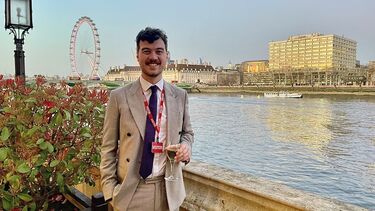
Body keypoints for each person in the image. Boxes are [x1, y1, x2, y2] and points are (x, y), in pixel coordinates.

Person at [100, 27, 194, 211]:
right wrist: (110, 191)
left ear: (167, 55)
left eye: (159, 51)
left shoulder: (180, 96)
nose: (153, 57)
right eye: (146, 51)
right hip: (130, 191)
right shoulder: (119, 96)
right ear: (137, 56)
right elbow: (108, 147)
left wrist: (186, 147)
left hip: (168, 189)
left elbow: (188, 133)